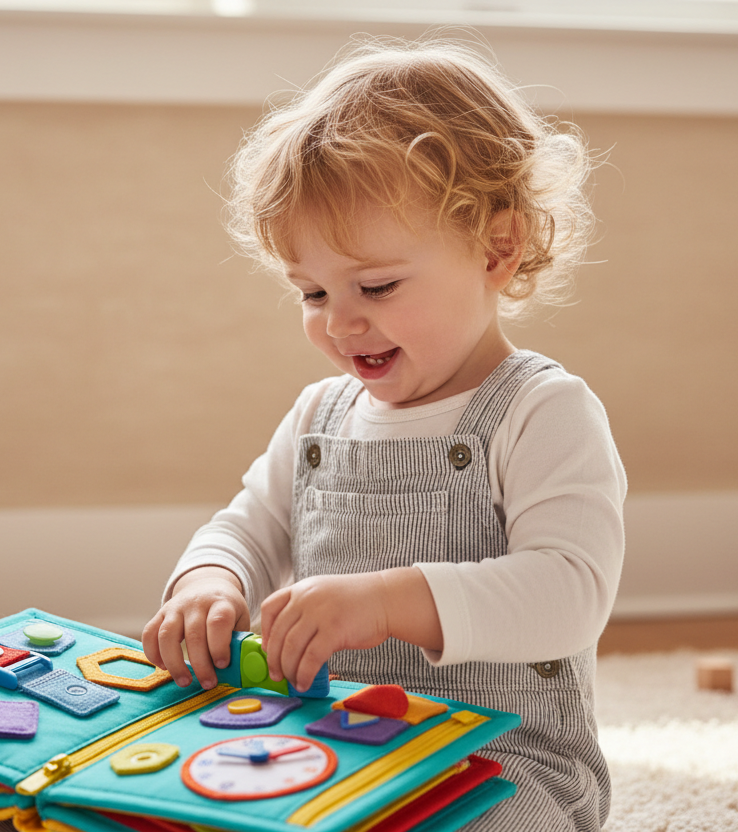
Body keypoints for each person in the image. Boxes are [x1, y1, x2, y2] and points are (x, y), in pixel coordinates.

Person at [142, 36, 626, 832]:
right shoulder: (319, 418)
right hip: (333, 745)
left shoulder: (543, 410)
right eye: (310, 292)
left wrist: (387, 603)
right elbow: (246, 527)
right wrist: (208, 583)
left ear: (497, 249)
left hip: (504, 763)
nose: (340, 321)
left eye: (376, 284)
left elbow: (568, 592)